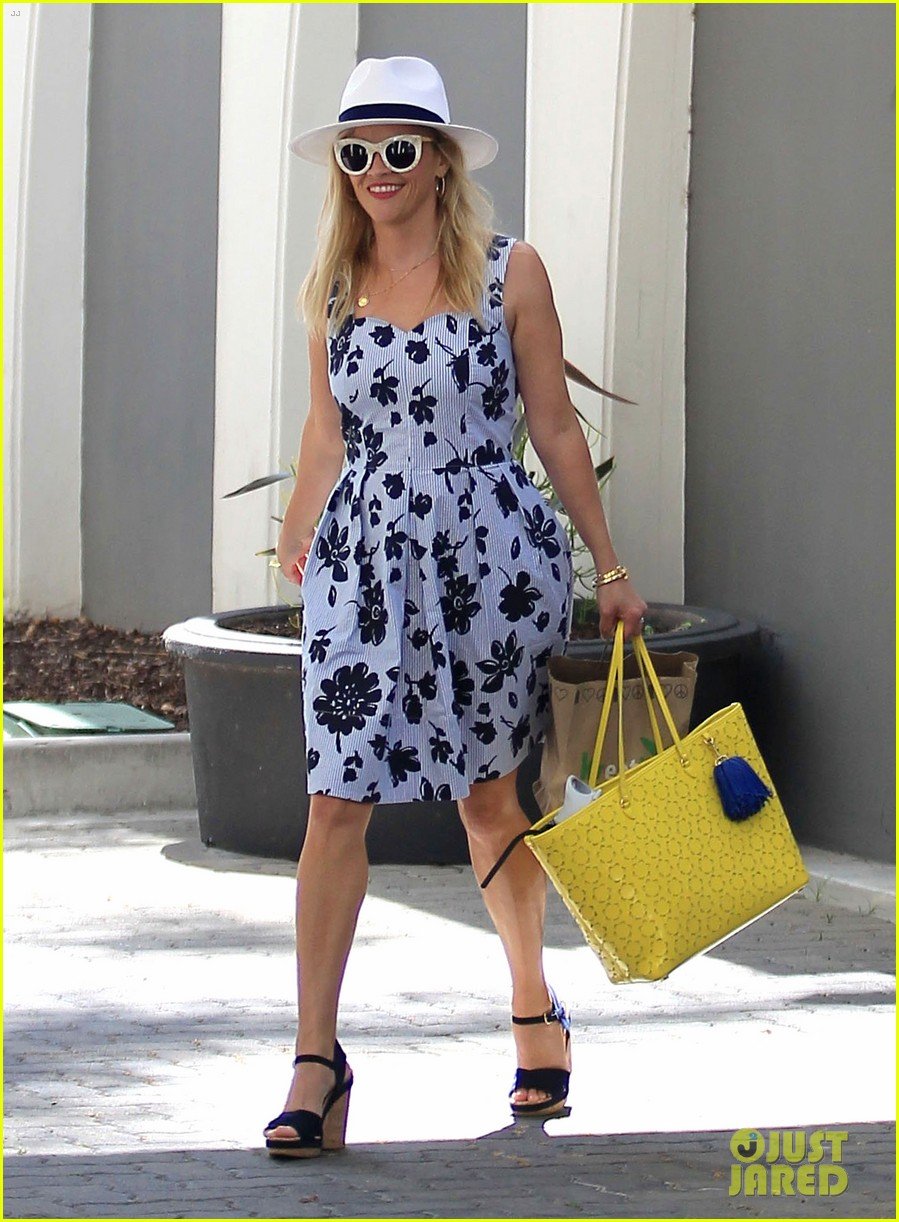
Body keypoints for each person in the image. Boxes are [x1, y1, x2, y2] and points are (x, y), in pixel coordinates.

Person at [266, 56, 649, 1158]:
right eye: (356, 152)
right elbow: (327, 433)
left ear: (438, 160)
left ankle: (533, 1008)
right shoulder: (331, 286)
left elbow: (555, 425)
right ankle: (315, 1060)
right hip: (360, 571)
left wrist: (609, 568)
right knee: (333, 802)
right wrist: (298, 533)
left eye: (398, 148)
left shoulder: (507, 270)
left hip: (490, 562)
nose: (376, 169)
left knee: (489, 799)